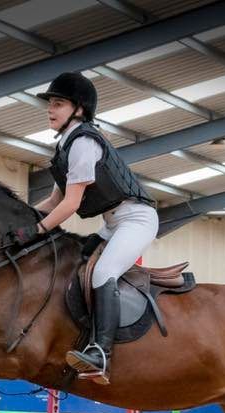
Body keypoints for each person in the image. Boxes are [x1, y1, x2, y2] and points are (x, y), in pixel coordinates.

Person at [33, 72, 157, 385]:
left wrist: (36, 230)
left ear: (79, 109)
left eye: (58, 104)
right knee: (77, 263)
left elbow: (71, 205)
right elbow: (52, 200)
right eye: (50, 103)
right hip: (114, 223)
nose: (50, 109)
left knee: (103, 273)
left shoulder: (84, 142)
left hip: (136, 220)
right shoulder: (66, 146)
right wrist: (19, 219)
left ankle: (101, 353)